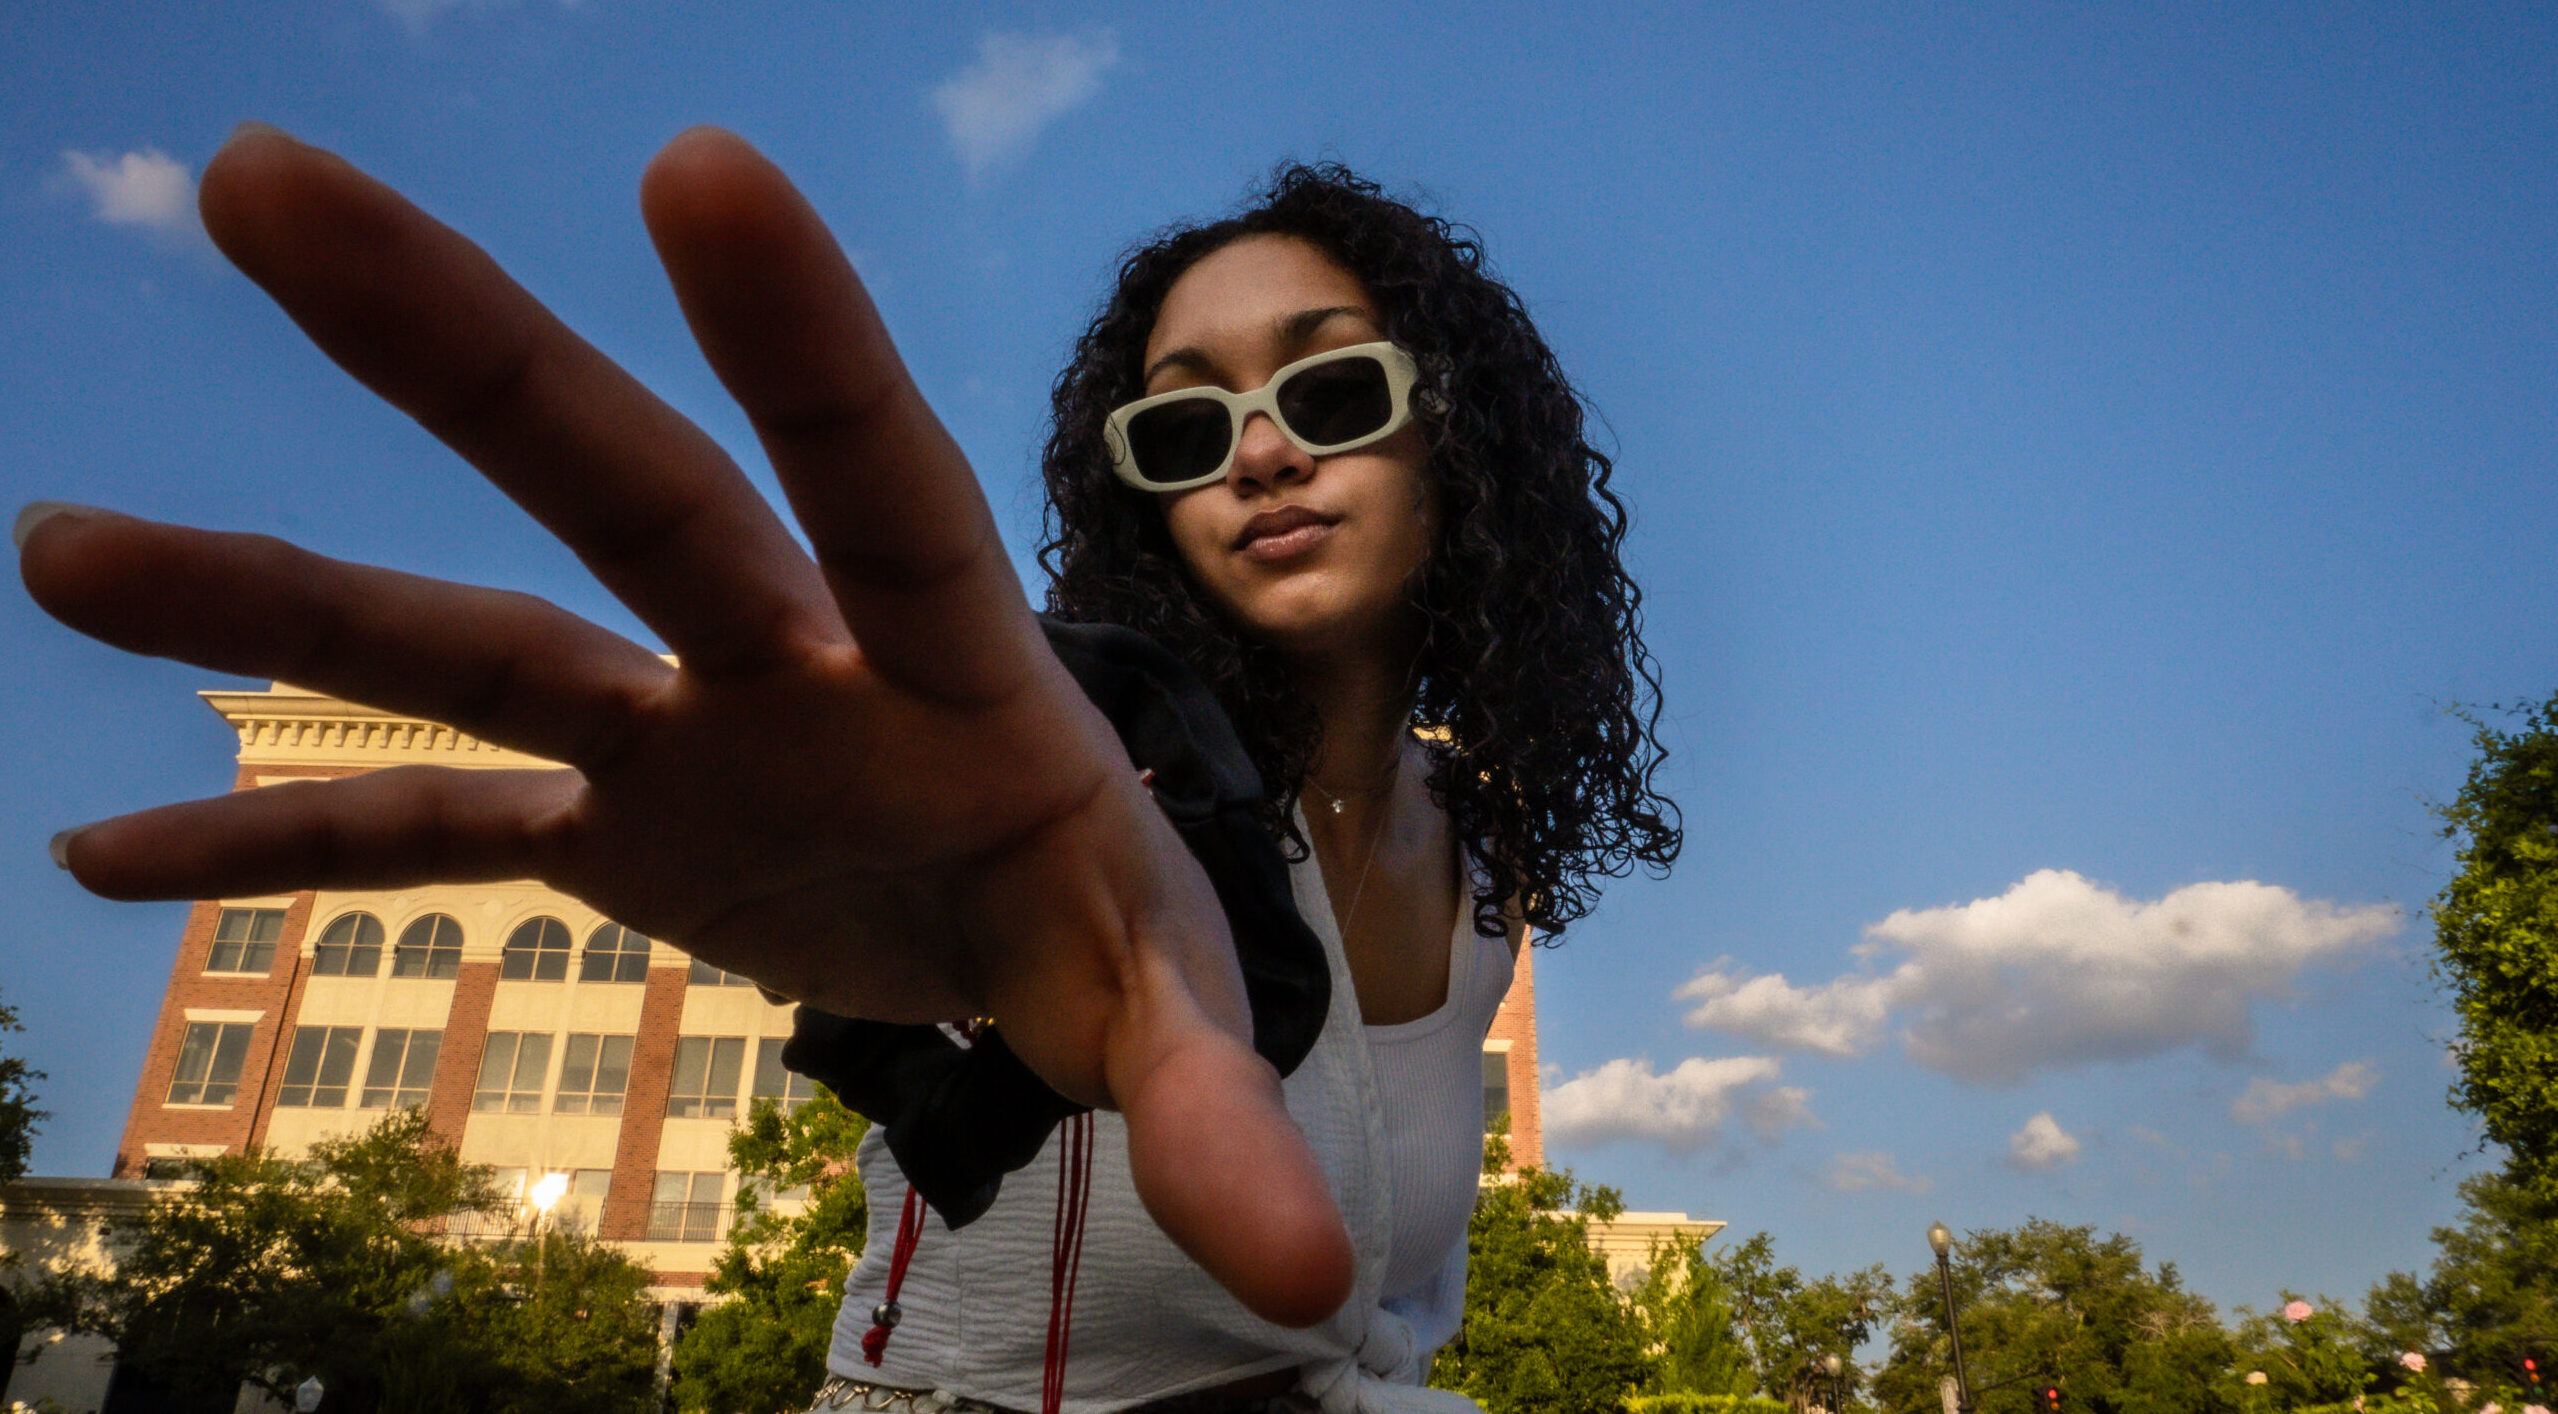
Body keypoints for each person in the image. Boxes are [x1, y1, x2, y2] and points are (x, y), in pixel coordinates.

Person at [17, 127, 1675, 1411]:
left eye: (1328, 385)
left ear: (1455, 433)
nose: (1257, 451)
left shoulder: (1484, 873)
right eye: (1183, 428)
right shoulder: (1063, 751)